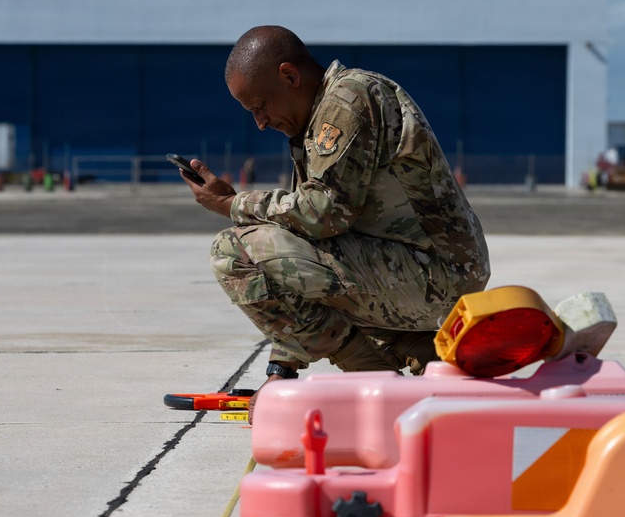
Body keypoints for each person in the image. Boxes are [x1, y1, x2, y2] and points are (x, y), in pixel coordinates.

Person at [178, 25, 490, 417]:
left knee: (234, 250)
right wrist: (282, 370)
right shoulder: (315, 119)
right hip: (420, 270)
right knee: (297, 271)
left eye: (260, 106)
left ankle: (372, 372)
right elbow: (309, 240)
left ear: (290, 76)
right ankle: (423, 354)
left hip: (436, 275)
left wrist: (232, 204)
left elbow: (321, 215)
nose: (259, 122)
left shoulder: (348, 99)